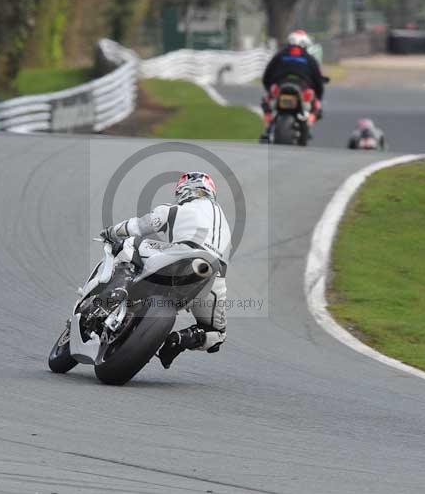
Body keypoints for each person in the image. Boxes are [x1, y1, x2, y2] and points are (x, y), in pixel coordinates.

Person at [100, 171, 231, 369]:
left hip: (183, 252)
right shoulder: (225, 225)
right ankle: (181, 339)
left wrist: (111, 232)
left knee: (129, 245)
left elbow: (140, 225)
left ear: (184, 190)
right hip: (214, 276)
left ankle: (116, 292)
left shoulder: (177, 209)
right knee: (218, 333)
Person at [261, 29, 326, 137]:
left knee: (266, 101)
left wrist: (269, 89)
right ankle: (308, 123)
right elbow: (317, 80)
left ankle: (268, 125)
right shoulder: (309, 58)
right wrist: (319, 96)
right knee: (317, 107)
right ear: (305, 43)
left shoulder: (280, 55)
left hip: (281, 85)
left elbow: (267, 74)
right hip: (302, 87)